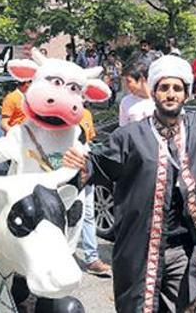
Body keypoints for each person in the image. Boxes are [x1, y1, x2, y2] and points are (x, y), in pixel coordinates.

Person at [62, 7, 196, 312]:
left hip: (187, 253)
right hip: (141, 251)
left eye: (177, 88)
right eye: (164, 87)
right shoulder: (130, 136)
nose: (171, 93)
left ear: (187, 94)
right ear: (153, 92)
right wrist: (76, 164)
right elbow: (97, 167)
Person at [79, 107, 112, 276]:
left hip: (85, 171)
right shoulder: (54, 113)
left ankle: (92, 259)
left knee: (88, 214)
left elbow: (88, 141)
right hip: (62, 172)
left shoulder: (86, 114)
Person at [119, 62, 155, 126]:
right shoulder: (126, 102)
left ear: (141, 79)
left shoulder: (158, 99)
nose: (126, 85)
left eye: (129, 81)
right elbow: (123, 128)